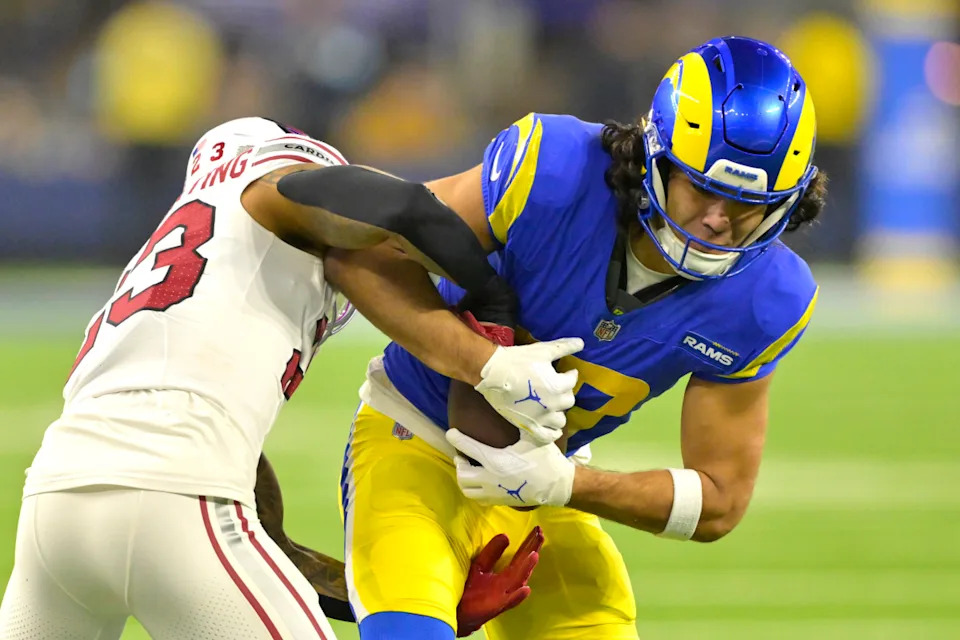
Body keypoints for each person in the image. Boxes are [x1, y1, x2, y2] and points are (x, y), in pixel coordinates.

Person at [0, 116, 583, 639]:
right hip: (182, 502)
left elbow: (266, 544)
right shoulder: (264, 191)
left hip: (53, 516)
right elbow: (396, 206)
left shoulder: (167, 297)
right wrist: (493, 299)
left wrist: (427, 608)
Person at [329, 36, 828, 639]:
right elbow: (363, 252)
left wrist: (566, 483)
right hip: (414, 438)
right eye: (701, 187)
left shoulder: (769, 298)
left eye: (747, 204)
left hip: (540, 485)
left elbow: (720, 497)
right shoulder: (555, 170)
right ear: (655, 159)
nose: (718, 219)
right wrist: (484, 364)